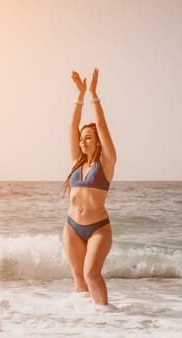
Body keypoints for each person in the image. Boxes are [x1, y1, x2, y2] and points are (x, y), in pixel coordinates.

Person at [62, 68, 117, 305]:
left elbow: (102, 127)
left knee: (91, 274)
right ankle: (85, 323)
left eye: (88, 137)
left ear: (97, 142)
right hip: (72, 226)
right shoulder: (76, 161)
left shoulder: (107, 162)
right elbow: (72, 125)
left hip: (98, 228)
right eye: (81, 137)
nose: (83, 140)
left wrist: (94, 94)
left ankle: (106, 315)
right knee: (79, 279)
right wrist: (79, 95)